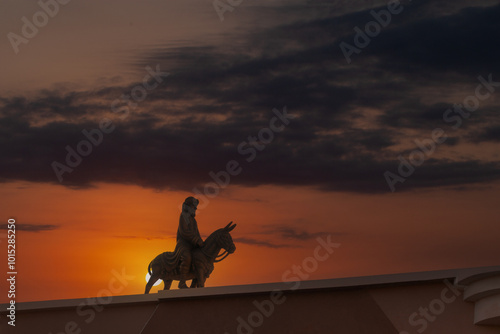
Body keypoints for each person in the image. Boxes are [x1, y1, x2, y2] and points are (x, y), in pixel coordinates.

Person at [176, 196, 204, 288]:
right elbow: (184, 232)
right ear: (188, 207)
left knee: (200, 258)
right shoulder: (184, 216)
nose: (195, 209)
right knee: (187, 257)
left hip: (193, 245)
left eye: (196, 207)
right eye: (193, 207)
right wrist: (196, 240)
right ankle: (182, 282)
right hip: (183, 245)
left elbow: (197, 233)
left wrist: (201, 242)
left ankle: (195, 283)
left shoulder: (194, 220)